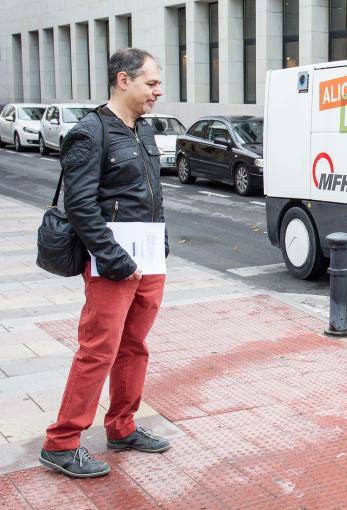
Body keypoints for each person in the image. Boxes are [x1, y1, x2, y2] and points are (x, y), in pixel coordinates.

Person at [39, 48, 171, 478]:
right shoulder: (89, 132)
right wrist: (114, 259)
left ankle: (122, 427)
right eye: (151, 82)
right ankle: (61, 443)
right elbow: (79, 206)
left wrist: (161, 244)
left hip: (149, 263)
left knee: (135, 347)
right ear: (122, 79)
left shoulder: (145, 131)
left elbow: (152, 196)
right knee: (98, 351)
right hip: (113, 266)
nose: (158, 90)